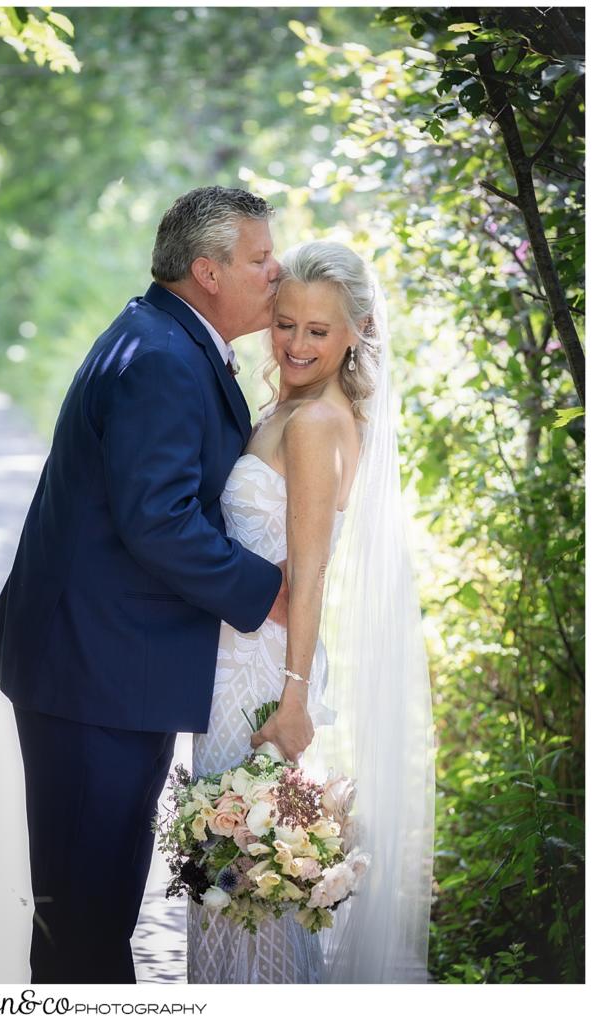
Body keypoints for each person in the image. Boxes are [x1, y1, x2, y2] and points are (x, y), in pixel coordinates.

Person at [0, 185, 313, 984]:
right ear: (206, 271)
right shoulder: (160, 358)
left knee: (91, 906)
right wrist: (265, 590)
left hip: (106, 662)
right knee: (85, 910)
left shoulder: (166, 338)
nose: (276, 272)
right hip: (93, 672)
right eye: (259, 259)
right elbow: (157, 520)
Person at [187, 240, 435, 983]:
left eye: (317, 332)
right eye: (284, 323)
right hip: (236, 660)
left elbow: (310, 572)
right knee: (227, 875)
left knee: (245, 874)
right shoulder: (290, 404)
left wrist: (294, 699)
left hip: (261, 673)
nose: (294, 344)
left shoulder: (319, 423)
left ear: (356, 330)